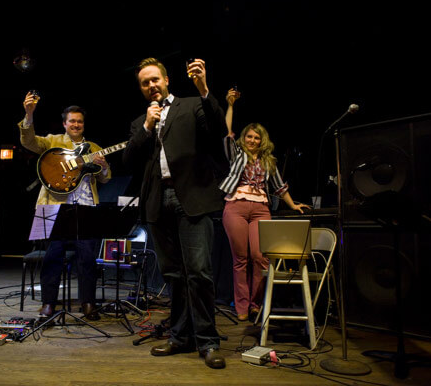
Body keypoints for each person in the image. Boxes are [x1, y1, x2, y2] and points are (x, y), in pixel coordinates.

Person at [122, 57, 228, 369]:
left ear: (166, 80)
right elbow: (129, 160)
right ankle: (180, 337)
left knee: (199, 272)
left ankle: (208, 342)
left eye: (155, 79)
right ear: (141, 89)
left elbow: (219, 129)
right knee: (174, 275)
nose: (151, 86)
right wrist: (146, 126)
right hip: (157, 201)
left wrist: (204, 88)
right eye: (145, 82)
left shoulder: (193, 105)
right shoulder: (140, 121)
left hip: (191, 198)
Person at [220, 88, 310, 322]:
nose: (252, 140)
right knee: (240, 259)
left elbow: (280, 186)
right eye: (249, 136)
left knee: (260, 258)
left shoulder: (269, 161)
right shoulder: (237, 154)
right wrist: (230, 105)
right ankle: (241, 305)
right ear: (244, 139)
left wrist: (293, 205)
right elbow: (227, 132)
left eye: (256, 138)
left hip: (261, 208)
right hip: (236, 206)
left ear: (262, 141)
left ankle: (255, 304)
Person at [18, 93, 111, 320]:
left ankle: (88, 303)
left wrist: (105, 166)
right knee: (53, 258)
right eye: (72, 121)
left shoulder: (94, 147)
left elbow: (106, 178)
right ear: (65, 124)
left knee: (87, 259)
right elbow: (29, 142)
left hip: (86, 207)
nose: (76, 124)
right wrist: (29, 114)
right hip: (56, 208)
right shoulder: (53, 141)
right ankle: (48, 303)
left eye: (79, 121)